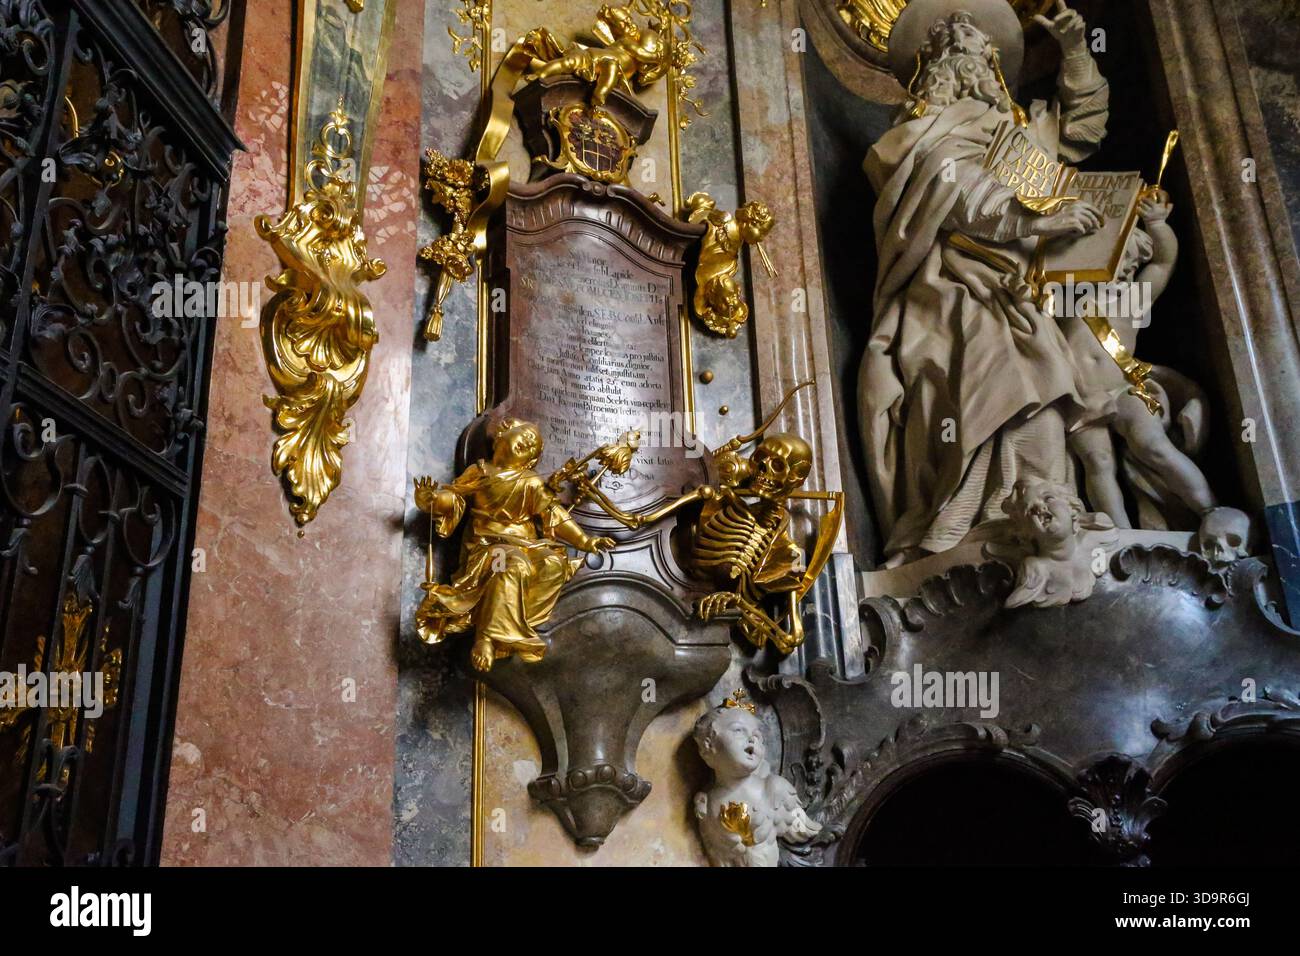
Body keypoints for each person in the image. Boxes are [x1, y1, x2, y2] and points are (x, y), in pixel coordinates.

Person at [860, 0, 1111, 566]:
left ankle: (1049, 514)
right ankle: (962, 522)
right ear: (932, 67)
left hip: (1026, 290)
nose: (970, 55)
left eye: (979, 49)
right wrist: (1032, 220)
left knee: (1046, 390)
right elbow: (955, 187)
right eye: (954, 49)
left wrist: (1075, 51)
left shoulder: (1020, 133)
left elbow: (1085, 128)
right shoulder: (914, 139)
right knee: (995, 376)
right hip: (951, 290)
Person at [1063, 193, 1217, 527]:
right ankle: (1120, 536)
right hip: (1081, 399)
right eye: (1115, 264)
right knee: (1097, 463)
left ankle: (1209, 510)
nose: (1123, 273)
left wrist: (1157, 224)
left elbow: (1163, 263)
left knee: (1153, 446)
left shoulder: (1132, 302)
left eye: (1130, 267)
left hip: (1123, 391)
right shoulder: (1065, 299)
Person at [413, 418, 614, 672]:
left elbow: (554, 515)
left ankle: (516, 622)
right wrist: (431, 500)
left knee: (553, 564)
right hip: (490, 547)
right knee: (509, 564)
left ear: (530, 462)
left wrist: (585, 540)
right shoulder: (480, 472)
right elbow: (454, 498)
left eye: (533, 446)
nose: (528, 444)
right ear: (502, 436)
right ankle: (486, 638)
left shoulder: (530, 482)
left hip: (527, 546)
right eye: (526, 436)